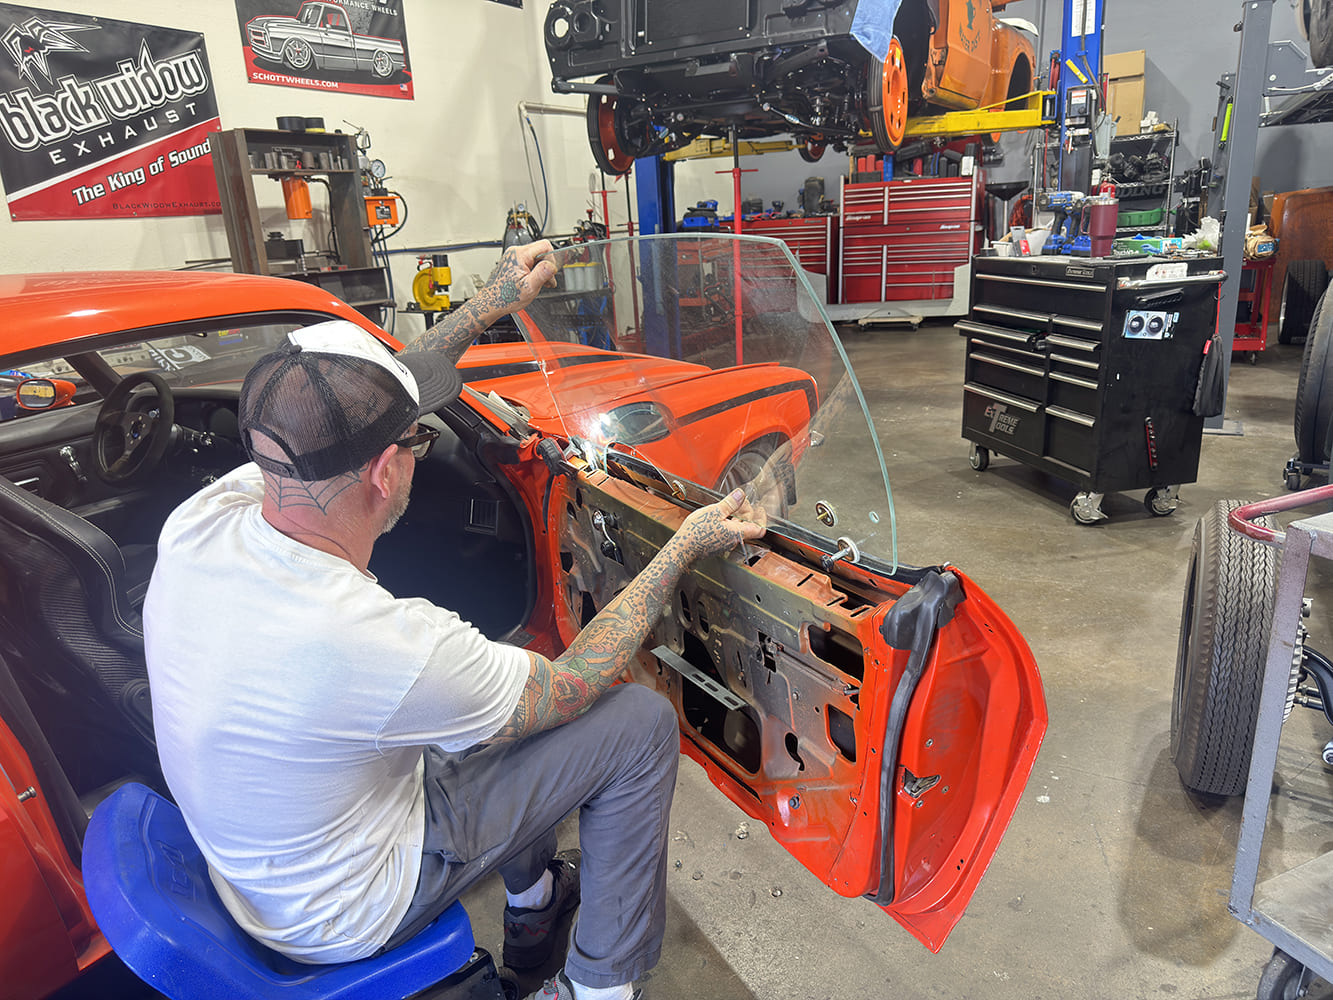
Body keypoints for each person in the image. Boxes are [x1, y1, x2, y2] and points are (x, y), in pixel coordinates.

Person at [143, 241, 767, 1000]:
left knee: (492, 709)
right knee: (633, 723)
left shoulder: (213, 514)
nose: (419, 448)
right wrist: (681, 547)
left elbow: (359, 405)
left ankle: (535, 907)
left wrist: (489, 301)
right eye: (419, 441)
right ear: (387, 470)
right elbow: (567, 688)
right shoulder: (372, 640)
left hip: (269, 867)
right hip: (346, 908)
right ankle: (597, 989)